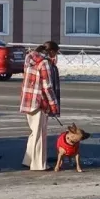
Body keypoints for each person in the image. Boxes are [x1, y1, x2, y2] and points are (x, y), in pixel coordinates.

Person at [20, 41, 61, 171]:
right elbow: (47, 87)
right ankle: (38, 165)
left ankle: (29, 160)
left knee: (34, 132)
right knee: (40, 134)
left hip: (28, 101)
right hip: (40, 102)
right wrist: (54, 105)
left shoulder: (30, 59)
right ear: (52, 52)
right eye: (56, 53)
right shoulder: (44, 63)